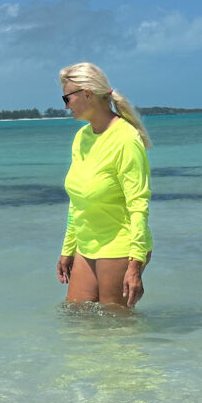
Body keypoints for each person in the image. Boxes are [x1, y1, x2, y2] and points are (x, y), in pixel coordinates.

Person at [56, 62, 153, 309]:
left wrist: (136, 263)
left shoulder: (126, 139)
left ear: (87, 94)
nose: (66, 106)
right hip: (86, 245)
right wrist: (68, 249)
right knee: (75, 315)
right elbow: (77, 201)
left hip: (120, 244)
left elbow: (138, 204)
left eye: (67, 98)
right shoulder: (82, 138)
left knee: (115, 323)